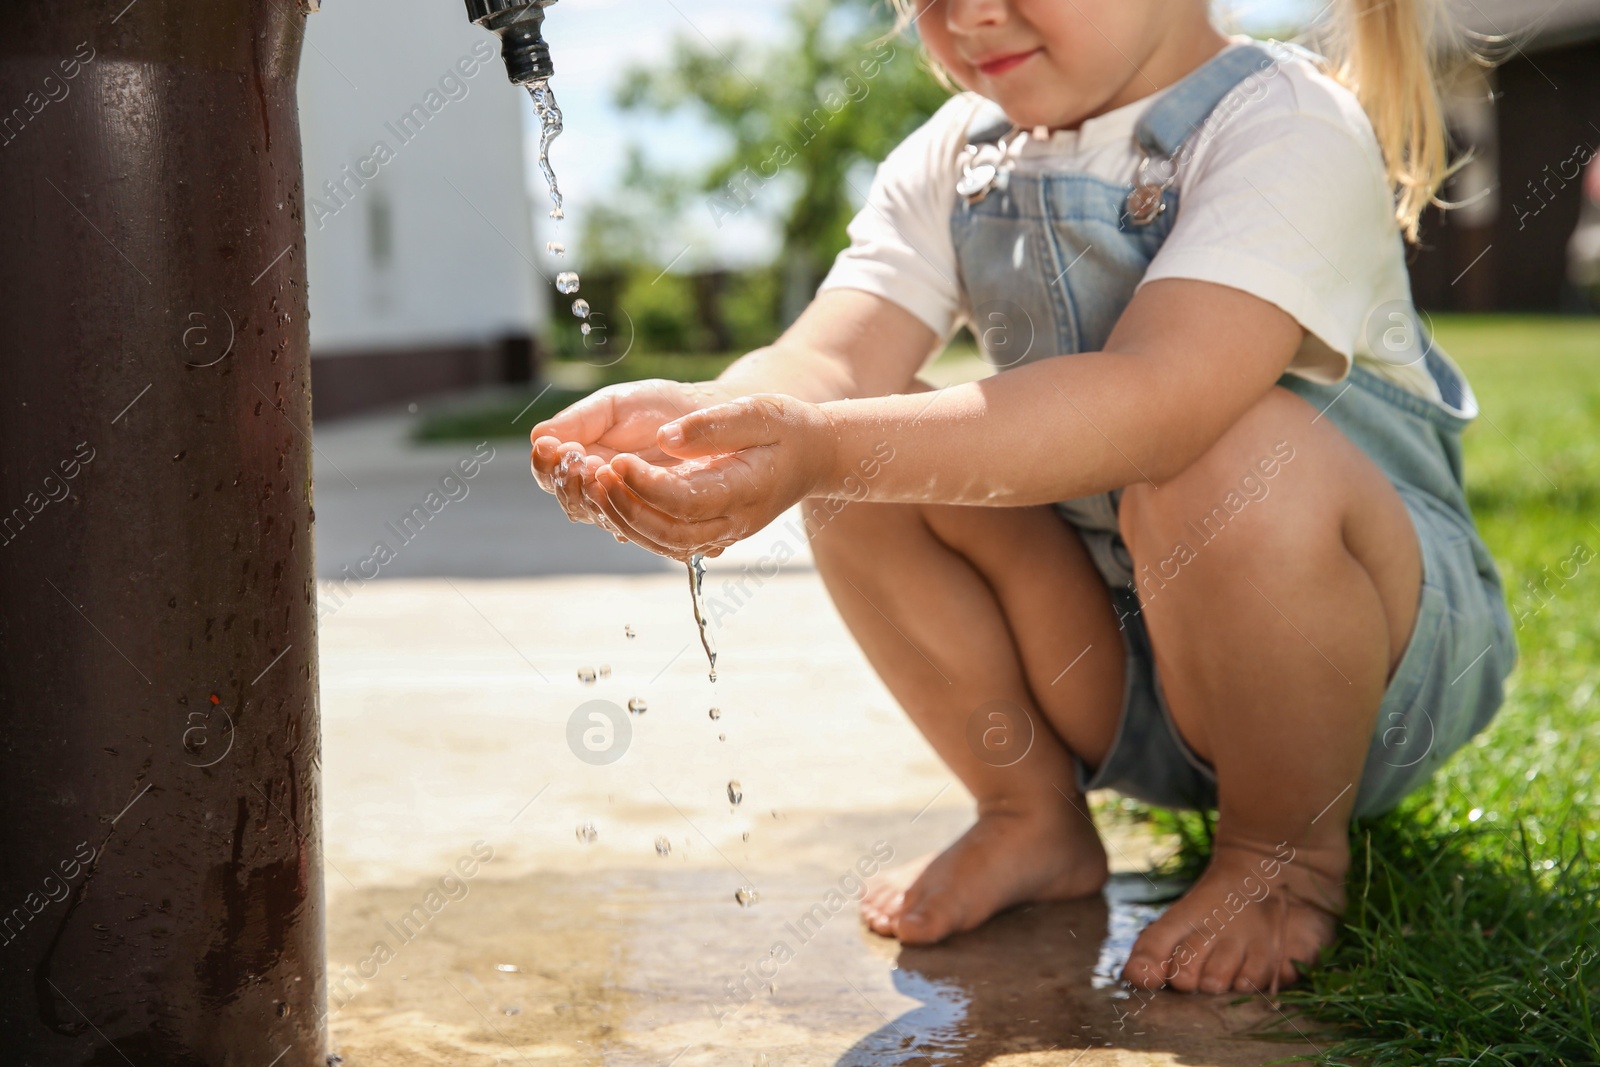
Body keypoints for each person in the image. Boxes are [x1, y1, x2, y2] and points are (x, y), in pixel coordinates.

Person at [529, 0, 1516, 996]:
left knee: (1230, 450)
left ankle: (1282, 857)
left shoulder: (1280, 123)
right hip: (1125, 670)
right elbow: (828, 359)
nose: (969, 13)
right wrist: (706, 425)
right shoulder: (955, 157)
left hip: (1360, 673)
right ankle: (1028, 812)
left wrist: (824, 442)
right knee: (862, 445)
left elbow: (1157, 402)